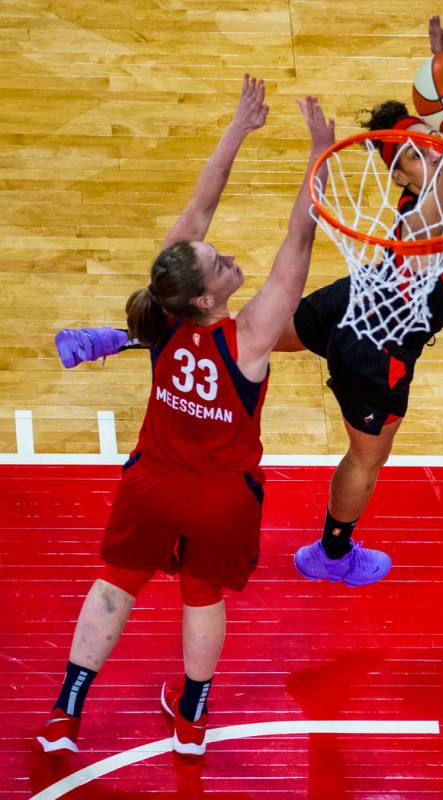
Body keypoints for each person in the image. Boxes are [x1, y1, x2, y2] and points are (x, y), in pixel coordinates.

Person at [53, 17, 443, 590]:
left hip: (353, 302)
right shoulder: (424, 212)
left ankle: (121, 336)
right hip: (374, 344)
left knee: (235, 337)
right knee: (366, 459)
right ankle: (332, 554)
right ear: (402, 180)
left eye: (423, 149)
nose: (424, 157)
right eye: (410, 156)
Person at [37, 76, 336, 757]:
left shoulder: (166, 309)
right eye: (221, 263)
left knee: (116, 582)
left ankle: (65, 712)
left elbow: (201, 206)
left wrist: (239, 126)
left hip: (154, 484)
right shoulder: (253, 333)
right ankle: (192, 720)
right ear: (206, 297)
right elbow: (299, 240)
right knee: (202, 595)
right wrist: (318, 155)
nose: (227, 257)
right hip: (221, 499)